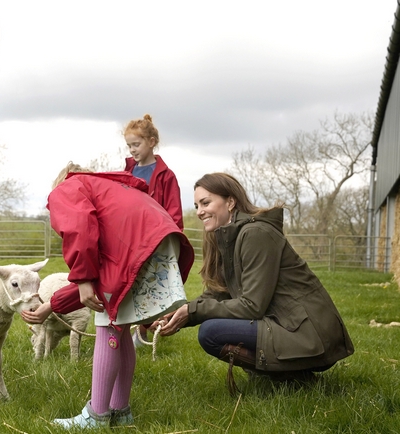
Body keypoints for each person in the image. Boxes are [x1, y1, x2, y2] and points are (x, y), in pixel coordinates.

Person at [21, 162, 194, 429]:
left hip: (139, 246)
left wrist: (83, 277)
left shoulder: (67, 188)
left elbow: (79, 227)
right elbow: (101, 279)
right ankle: (120, 411)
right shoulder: (111, 192)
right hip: (160, 240)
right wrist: (53, 305)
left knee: (108, 325)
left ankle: (96, 415)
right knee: (121, 326)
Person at [158, 172, 354, 395]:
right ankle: (286, 375)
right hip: (286, 324)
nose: (199, 211)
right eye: (196, 205)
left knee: (211, 332)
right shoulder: (228, 235)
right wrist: (177, 313)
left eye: (206, 202)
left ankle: (292, 377)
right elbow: (219, 292)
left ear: (230, 202)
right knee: (212, 327)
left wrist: (192, 312)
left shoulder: (255, 234)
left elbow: (252, 305)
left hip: (310, 334)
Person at [122, 114, 184, 347]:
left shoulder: (166, 176)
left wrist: (169, 240)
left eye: (136, 145)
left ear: (151, 141)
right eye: (129, 146)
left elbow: (174, 213)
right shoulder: (127, 172)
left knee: (152, 284)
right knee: (131, 283)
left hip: (156, 239)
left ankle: (150, 328)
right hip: (132, 238)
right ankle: (131, 329)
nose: (132, 150)